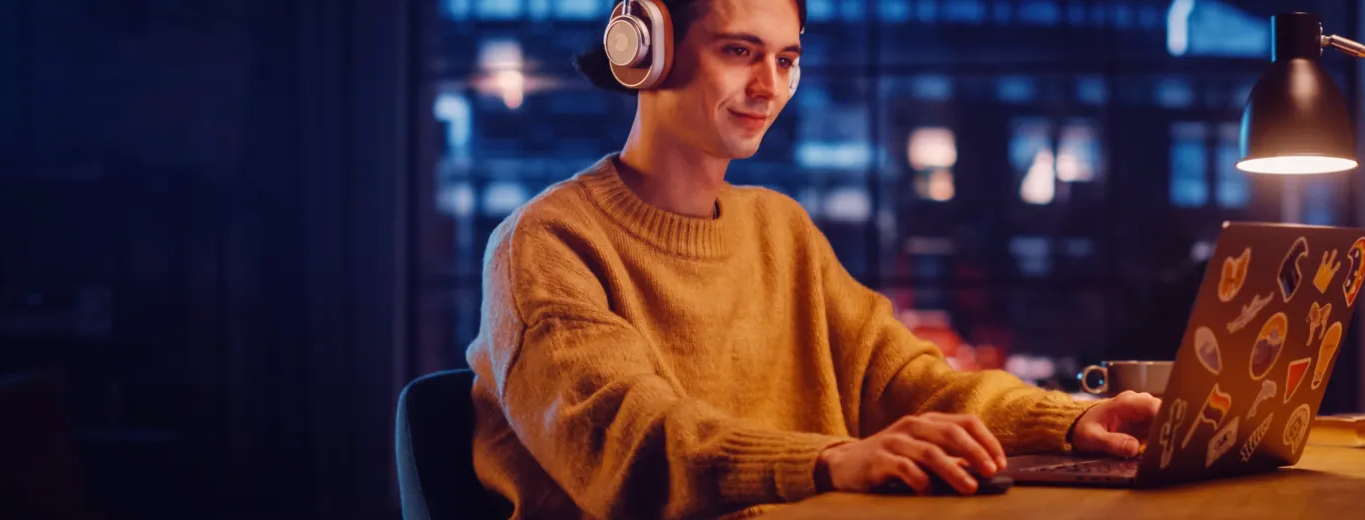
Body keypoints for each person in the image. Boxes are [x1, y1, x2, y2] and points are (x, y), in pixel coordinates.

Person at [464, 0, 1162, 518]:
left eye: (787, 59)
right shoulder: (545, 244)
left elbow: (911, 381)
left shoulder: (781, 230)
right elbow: (631, 442)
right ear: (643, 49)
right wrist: (828, 460)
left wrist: (1067, 422)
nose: (770, 87)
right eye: (740, 52)